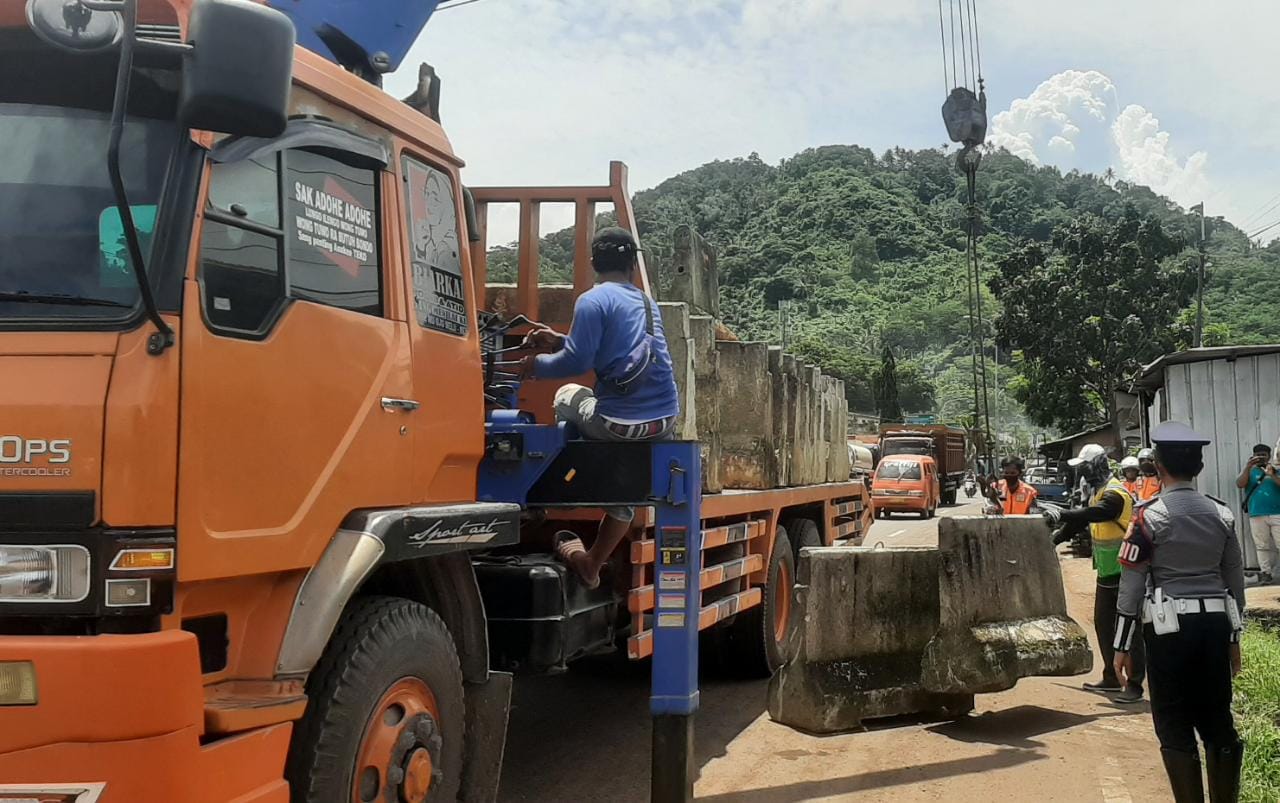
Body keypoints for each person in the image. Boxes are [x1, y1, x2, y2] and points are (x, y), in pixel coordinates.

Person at [520, 228, 680, 589]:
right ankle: (591, 563)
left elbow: (575, 363)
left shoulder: (592, 301)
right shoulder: (646, 304)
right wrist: (560, 340)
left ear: (594, 263)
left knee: (566, 394)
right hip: (663, 422)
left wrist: (537, 365)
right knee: (625, 484)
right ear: (632, 266)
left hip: (616, 424)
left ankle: (561, 491)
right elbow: (614, 354)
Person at [1113, 421, 1246, 803]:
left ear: (1157, 465)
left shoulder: (1146, 516)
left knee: (1173, 724)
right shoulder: (1221, 515)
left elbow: (1132, 587)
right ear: (1199, 467)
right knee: (1218, 720)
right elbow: (1234, 584)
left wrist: (1122, 646)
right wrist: (1235, 638)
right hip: (1215, 626)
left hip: (1168, 630)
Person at [1043, 443, 1146, 704]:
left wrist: (1061, 513)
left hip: (1127, 571)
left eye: (1086, 468)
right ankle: (1111, 675)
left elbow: (1097, 514)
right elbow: (1081, 520)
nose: (1084, 474)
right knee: (1103, 623)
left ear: (1098, 464)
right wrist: (1055, 539)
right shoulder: (1098, 492)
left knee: (1130, 630)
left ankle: (1134, 684)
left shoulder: (1114, 493)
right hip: (1108, 570)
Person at [1236, 442, 1280, 585]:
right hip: (1257, 513)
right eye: (1258, 455)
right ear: (1253, 456)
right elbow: (1240, 484)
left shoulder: (1275, 469)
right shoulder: (1250, 470)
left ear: (1268, 457)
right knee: (1261, 545)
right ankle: (1265, 573)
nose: (1261, 457)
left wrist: (1272, 475)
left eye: (1264, 455)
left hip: (1277, 513)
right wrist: (1248, 467)